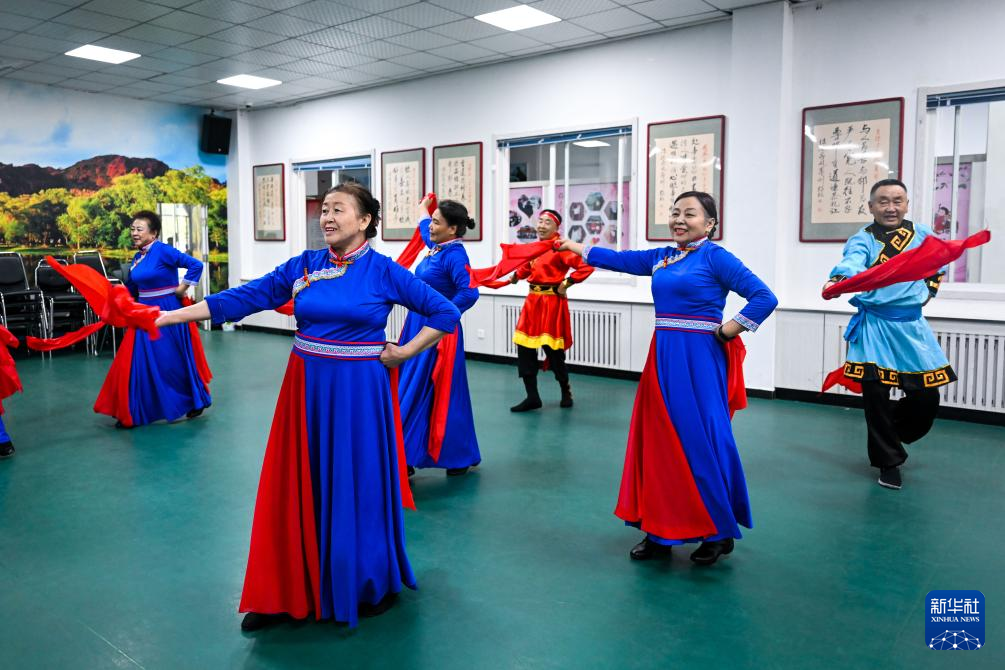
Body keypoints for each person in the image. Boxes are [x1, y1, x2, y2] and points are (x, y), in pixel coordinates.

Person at [156, 183, 460, 629]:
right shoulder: (305, 265)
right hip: (305, 388)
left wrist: (405, 351)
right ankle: (283, 589)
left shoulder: (384, 271)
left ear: (365, 221)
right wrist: (171, 315)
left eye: (339, 210)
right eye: (325, 209)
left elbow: (445, 313)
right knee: (295, 483)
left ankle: (365, 581)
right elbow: (247, 297)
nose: (328, 217)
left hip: (359, 394)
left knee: (356, 484)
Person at [559, 191, 777, 565]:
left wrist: (729, 329)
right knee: (659, 441)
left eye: (689, 214)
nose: (678, 219)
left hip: (700, 358)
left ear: (709, 223)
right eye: (675, 212)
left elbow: (764, 297)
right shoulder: (662, 257)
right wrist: (574, 246)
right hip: (662, 356)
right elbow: (620, 260)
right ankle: (660, 530)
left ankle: (717, 531)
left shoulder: (716, 257)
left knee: (701, 439)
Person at [823, 179, 953, 490]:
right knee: (877, 395)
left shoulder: (923, 235)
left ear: (906, 204)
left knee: (926, 397)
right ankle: (888, 462)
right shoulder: (862, 239)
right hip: (875, 326)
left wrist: (929, 292)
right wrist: (839, 281)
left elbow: (940, 262)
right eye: (883, 201)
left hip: (911, 326)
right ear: (871, 207)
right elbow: (851, 263)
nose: (890, 207)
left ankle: (890, 432)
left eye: (897, 200)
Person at [95, 210, 211, 428]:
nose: (134, 233)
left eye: (139, 229)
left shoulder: (163, 250)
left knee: (170, 361)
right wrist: (118, 298)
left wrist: (182, 288)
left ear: (154, 232)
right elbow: (133, 287)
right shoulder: (138, 257)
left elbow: (196, 265)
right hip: (144, 313)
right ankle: (134, 411)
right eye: (132, 229)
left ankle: (195, 399)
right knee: (137, 361)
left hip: (167, 311)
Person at [398, 196, 481, 477]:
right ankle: (410, 454)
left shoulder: (455, 256)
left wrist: (442, 315)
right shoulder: (437, 246)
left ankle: (409, 455)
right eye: (432, 221)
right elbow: (424, 228)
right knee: (411, 386)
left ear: (452, 229)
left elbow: (469, 292)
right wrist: (424, 207)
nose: (430, 226)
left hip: (438, 332)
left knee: (433, 391)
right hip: (417, 325)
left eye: (437, 222)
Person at [508, 209, 594, 412]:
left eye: (547, 222)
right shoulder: (536, 247)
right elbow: (528, 267)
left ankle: (565, 390)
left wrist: (567, 283)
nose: (541, 225)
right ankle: (532, 397)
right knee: (524, 349)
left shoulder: (561, 247)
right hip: (532, 303)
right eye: (540, 221)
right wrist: (516, 276)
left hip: (552, 304)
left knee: (554, 352)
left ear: (556, 227)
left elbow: (587, 266)